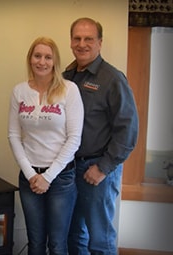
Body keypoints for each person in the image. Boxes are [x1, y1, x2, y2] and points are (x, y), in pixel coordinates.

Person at [63, 17, 139, 254]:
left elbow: (128, 130)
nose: (82, 44)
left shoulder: (112, 79)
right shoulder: (67, 76)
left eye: (89, 39)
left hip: (98, 170)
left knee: (100, 238)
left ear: (100, 43)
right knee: (74, 236)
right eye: (77, 38)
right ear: (71, 42)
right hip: (70, 169)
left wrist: (103, 168)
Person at [8, 36, 84, 255]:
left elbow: (74, 139)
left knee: (58, 245)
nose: (42, 61)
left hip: (60, 179)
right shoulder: (19, 91)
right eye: (37, 56)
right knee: (36, 243)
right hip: (29, 178)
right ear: (30, 59)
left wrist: (47, 177)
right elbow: (13, 135)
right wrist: (31, 175)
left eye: (48, 57)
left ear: (55, 61)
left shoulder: (69, 90)